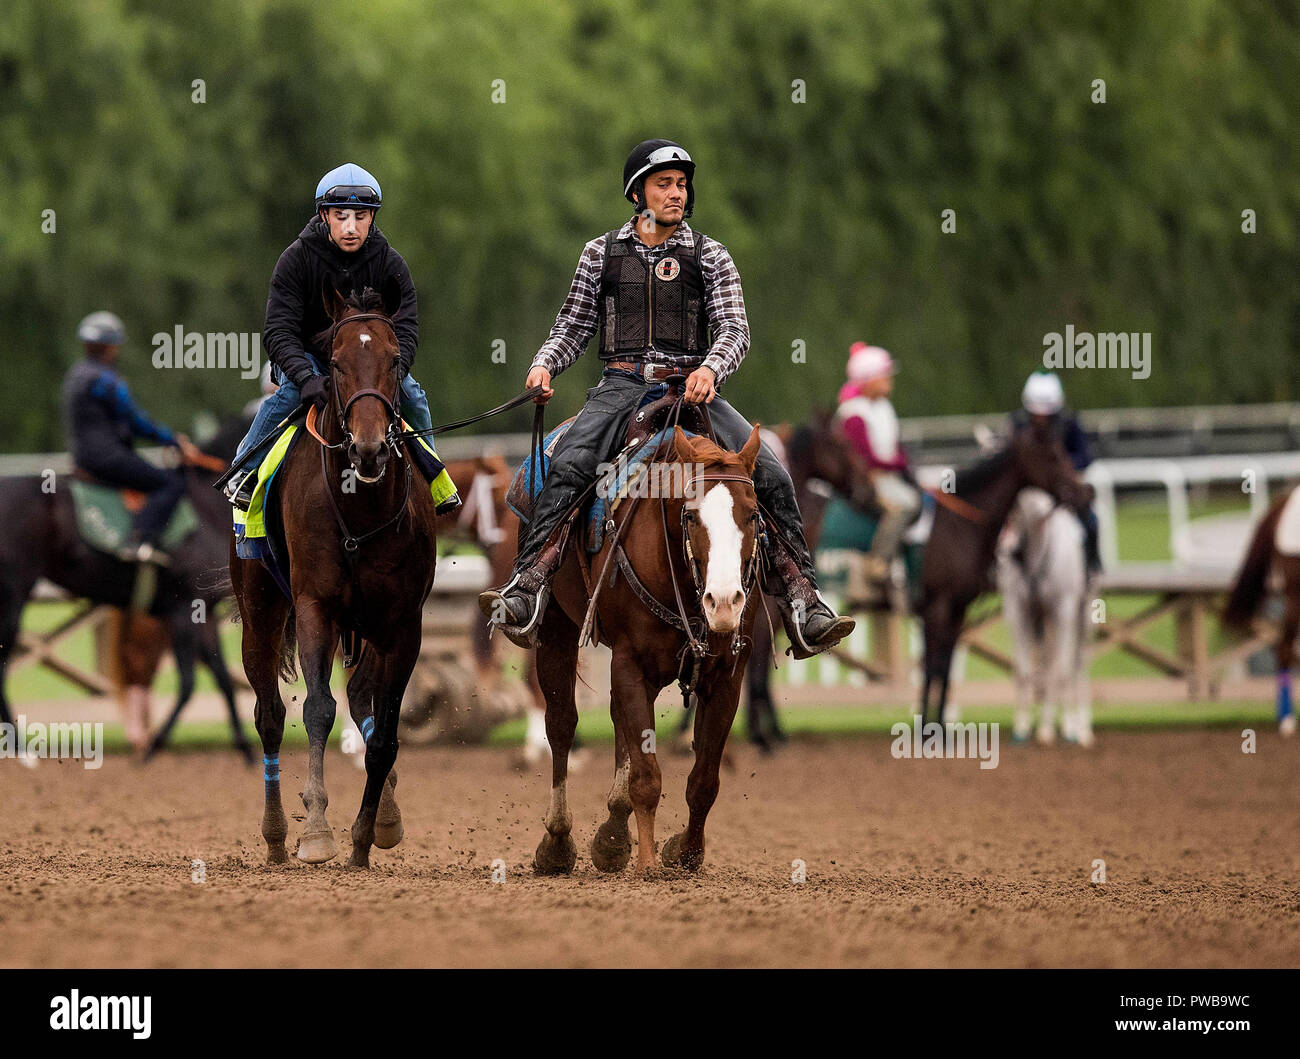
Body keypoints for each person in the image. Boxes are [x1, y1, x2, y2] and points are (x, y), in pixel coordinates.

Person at [477, 139, 855, 657]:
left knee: (771, 473)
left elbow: (734, 328)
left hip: (695, 388)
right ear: (637, 193)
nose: (676, 193)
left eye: (681, 184)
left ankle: (803, 602)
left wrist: (710, 367)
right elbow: (574, 323)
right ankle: (529, 588)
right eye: (664, 184)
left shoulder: (711, 255)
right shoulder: (600, 253)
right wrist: (545, 363)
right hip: (621, 386)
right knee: (566, 466)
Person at [226, 163, 456, 512]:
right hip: (308, 361)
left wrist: (394, 369)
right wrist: (305, 378)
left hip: (371, 364)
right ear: (324, 216)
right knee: (286, 395)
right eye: (340, 215)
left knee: (412, 394)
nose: (351, 227)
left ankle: (433, 479)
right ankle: (244, 470)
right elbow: (278, 331)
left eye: (361, 216)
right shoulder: (295, 260)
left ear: (372, 218)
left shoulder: (391, 264)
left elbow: (406, 329)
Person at [61, 312, 202, 563]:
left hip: (84, 456)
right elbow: (135, 421)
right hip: (108, 458)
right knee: (170, 483)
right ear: (113, 346)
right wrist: (172, 440)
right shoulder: (106, 379)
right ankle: (141, 540)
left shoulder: (76, 374)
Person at [833, 343, 921, 598]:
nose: (889, 379)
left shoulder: (882, 407)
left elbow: (895, 447)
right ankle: (879, 562)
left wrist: (902, 462)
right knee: (904, 505)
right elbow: (866, 458)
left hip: (889, 476)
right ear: (869, 379)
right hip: (870, 480)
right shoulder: (853, 413)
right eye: (884, 375)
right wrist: (898, 464)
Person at [1010, 370, 1101, 573]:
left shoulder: (1068, 422)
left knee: (1090, 520)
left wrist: (1063, 467)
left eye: (1045, 412)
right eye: (1036, 412)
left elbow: (1085, 456)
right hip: (1028, 486)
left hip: (1062, 485)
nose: (1040, 417)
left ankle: (1092, 564)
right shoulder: (1019, 424)